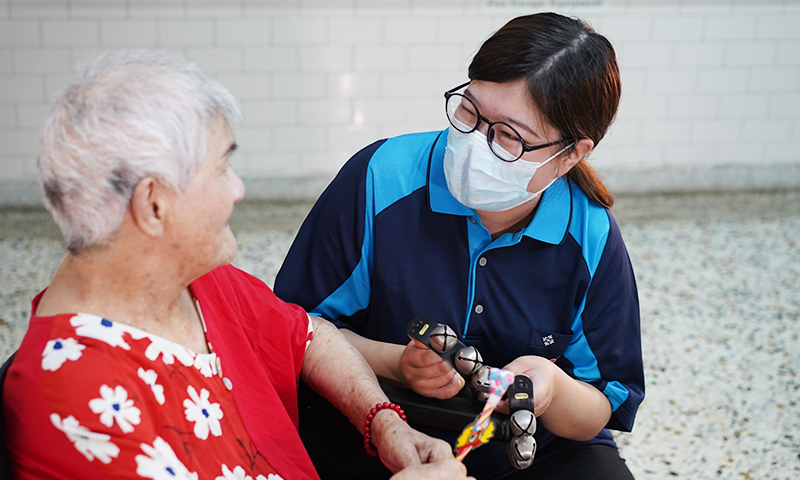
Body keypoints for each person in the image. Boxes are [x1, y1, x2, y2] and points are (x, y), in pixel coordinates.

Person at [1, 50, 473, 480]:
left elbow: (307, 336)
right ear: (154, 205)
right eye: (221, 169)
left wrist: (382, 421)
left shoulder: (199, 281)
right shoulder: (73, 397)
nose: (238, 189)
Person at [274, 12, 645, 480]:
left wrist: (551, 388)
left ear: (571, 154)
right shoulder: (381, 177)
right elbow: (293, 332)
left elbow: (603, 402)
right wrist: (398, 365)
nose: (474, 143)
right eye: (468, 110)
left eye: (510, 137)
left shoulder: (589, 234)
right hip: (373, 417)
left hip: (520, 449)